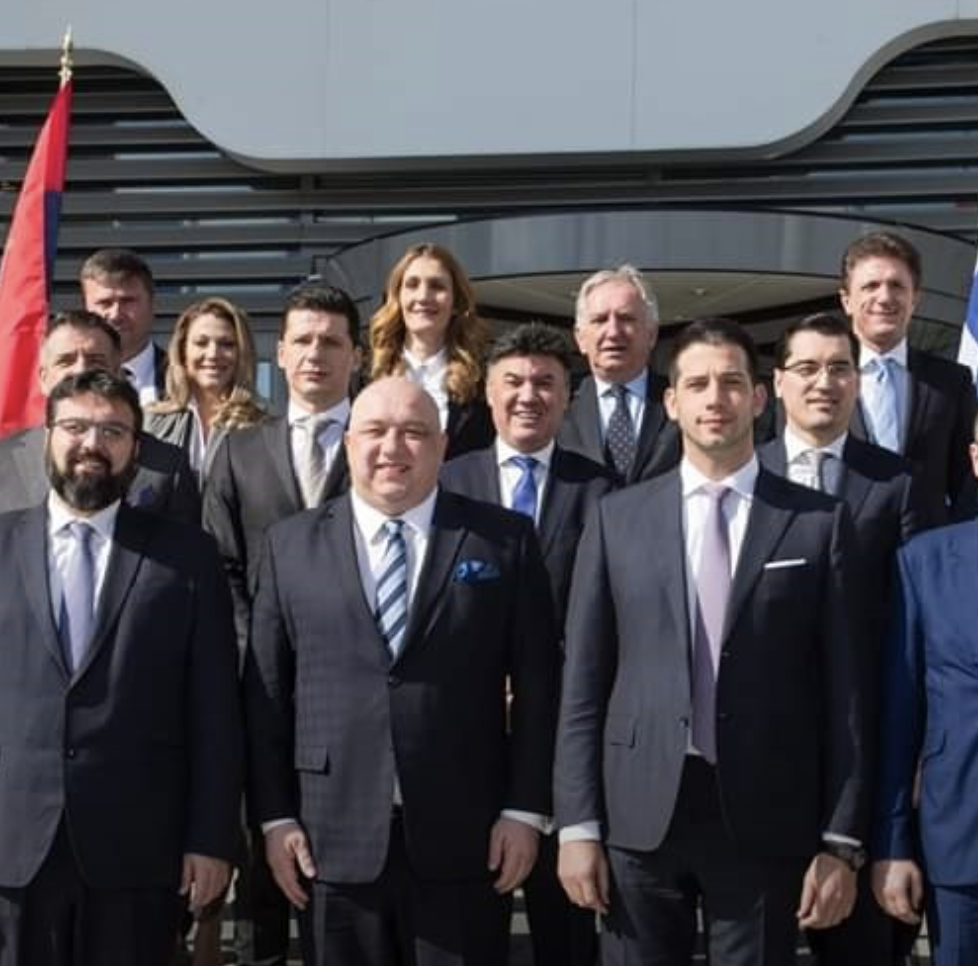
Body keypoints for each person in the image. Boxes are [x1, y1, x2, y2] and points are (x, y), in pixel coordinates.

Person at [555, 318, 869, 966]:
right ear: (671, 402)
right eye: (696, 384)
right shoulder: (617, 518)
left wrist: (841, 839)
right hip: (639, 812)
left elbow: (847, 694)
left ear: (759, 398)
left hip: (766, 812)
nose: (715, 398)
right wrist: (578, 825)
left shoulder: (818, 523)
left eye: (731, 382)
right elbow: (584, 682)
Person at [244, 377, 560, 966]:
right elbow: (265, 695)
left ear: (442, 446)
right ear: (348, 444)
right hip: (328, 840)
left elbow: (540, 686)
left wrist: (524, 810)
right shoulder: (289, 546)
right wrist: (274, 817)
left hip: (467, 839)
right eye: (375, 431)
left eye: (414, 432)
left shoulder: (503, 540)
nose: (392, 447)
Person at [0, 370, 242, 966]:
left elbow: (214, 710)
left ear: (136, 448)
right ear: (47, 437)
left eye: (112, 431)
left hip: (139, 852)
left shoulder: (187, 558)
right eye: (76, 427)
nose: (92, 443)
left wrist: (211, 839)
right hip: (12, 851)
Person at [441, 322, 611, 966]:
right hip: (468, 745)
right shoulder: (446, 484)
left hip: (565, 739)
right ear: (488, 393)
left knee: (566, 932)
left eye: (545, 383)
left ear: (568, 397)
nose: (528, 396)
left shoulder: (603, 493)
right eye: (512, 381)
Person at [202, 283, 362, 966]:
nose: (316, 353)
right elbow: (221, 568)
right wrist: (258, 656)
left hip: (355, 697)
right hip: (261, 693)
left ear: (356, 355)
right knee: (262, 869)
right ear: (280, 353)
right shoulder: (239, 451)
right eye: (303, 340)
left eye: (331, 341)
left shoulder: (382, 444)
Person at [759, 311, 920, 965]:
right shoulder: (742, 473)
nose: (823, 382)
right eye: (806, 367)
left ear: (857, 381)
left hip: (859, 747)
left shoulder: (895, 482)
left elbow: (910, 621)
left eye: (839, 368)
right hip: (757, 756)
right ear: (777, 382)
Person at [872, 413, 978, 966]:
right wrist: (892, 843)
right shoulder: (925, 562)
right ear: (976, 459)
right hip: (963, 847)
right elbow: (900, 716)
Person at [0, 310, 200, 521]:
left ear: (118, 374)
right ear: (43, 378)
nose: (81, 370)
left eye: (96, 361)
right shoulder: (4, 459)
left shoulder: (167, 464)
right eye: (66, 361)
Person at [838, 230, 976, 523]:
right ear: (846, 300)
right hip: (842, 544)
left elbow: (965, 479)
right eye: (871, 285)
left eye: (897, 285)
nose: (885, 297)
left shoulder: (952, 381)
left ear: (915, 299)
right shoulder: (814, 383)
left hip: (928, 543)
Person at [369, 242, 494, 459]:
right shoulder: (365, 377)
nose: (423, 296)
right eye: (412, 285)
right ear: (398, 297)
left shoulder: (483, 383)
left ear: (456, 302)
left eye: (437, 286)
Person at [558, 264, 680, 486]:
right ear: (580, 338)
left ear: (652, 334)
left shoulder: (681, 400)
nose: (613, 332)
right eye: (600, 320)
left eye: (626, 318)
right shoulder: (558, 403)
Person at [146, 296, 266, 483]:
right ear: (182, 351)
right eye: (201, 343)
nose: (213, 354)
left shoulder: (264, 427)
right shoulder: (150, 422)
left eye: (227, 344)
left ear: (242, 353)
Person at [79, 248, 168, 403]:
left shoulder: (187, 377)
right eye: (105, 303)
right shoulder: (68, 378)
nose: (115, 314)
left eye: (128, 301)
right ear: (85, 309)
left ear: (152, 305)